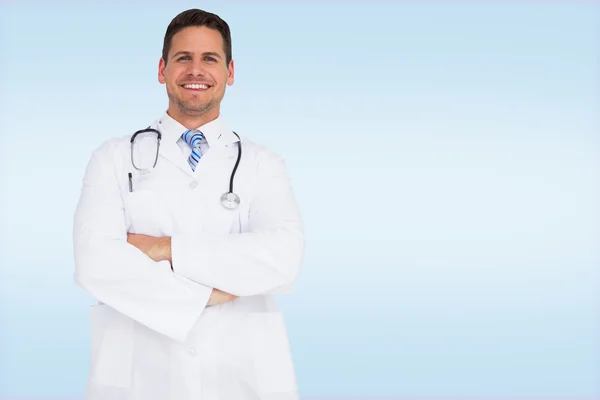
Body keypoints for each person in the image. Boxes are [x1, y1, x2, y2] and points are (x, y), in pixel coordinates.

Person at [72, 8, 305, 400]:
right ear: (162, 69)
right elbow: (95, 261)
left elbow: (283, 258)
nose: (196, 70)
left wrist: (165, 249)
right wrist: (213, 292)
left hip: (243, 374)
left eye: (209, 59)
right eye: (183, 58)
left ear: (230, 73)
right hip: (140, 376)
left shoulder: (263, 163)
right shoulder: (112, 157)